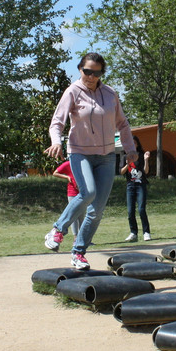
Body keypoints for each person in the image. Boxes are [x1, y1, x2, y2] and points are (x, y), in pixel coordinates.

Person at [43, 52, 136, 270]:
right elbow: (57, 122)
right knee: (88, 193)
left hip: (106, 156)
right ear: (80, 69)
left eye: (96, 72)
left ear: (101, 73)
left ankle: (79, 253)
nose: (91, 76)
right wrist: (56, 141)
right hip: (80, 152)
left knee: (97, 210)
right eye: (87, 71)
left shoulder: (110, 94)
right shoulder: (73, 92)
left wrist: (131, 149)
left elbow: (122, 124)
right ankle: (58, 229)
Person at [122, 135, 151, 242]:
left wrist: (146, 160)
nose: (132, 145)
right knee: (130, 212)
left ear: (137, 144)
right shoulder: (125, 157)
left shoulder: (142, 155)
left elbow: (146, 171)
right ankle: (133, 233)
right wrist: (127, 164)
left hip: (141, 185)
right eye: (130, 143)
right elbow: (121, 172)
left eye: (134, 143)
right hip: (130, 186)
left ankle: (146, 232)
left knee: (141, 209)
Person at [50, 158, 84, 247]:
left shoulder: (83, 163)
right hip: (72, 193)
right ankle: (75, 237)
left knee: (82, 216)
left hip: (83, 192)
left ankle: (82, 238)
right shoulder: (68, 164)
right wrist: (67, 177)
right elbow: (55, 173)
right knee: (73, 216)